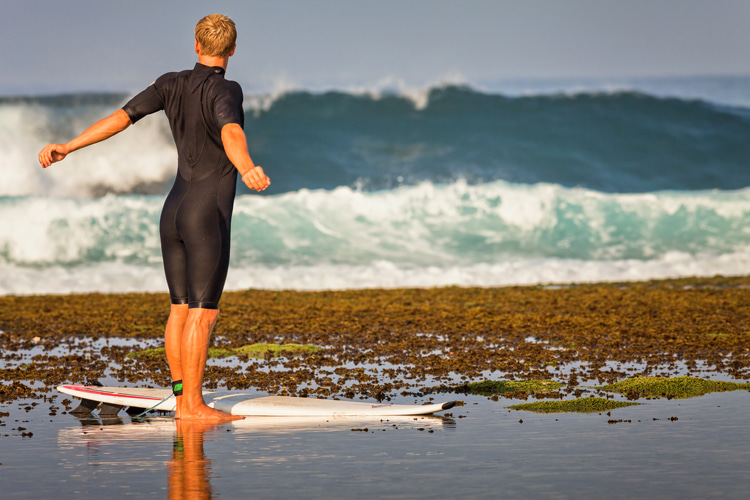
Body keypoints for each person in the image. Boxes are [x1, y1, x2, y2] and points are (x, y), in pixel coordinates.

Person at [38, 14, 269, 421]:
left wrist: (68, 146)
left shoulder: (169, 82)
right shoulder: (227, 89)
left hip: (173, 210)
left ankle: (182, 399)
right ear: (232, 49)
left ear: (196, 46)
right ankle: (193, 407)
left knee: (179, 307)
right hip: (205, 213)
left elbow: (120, 118)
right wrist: (247, 165)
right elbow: (230, 130)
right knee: (203, 311)